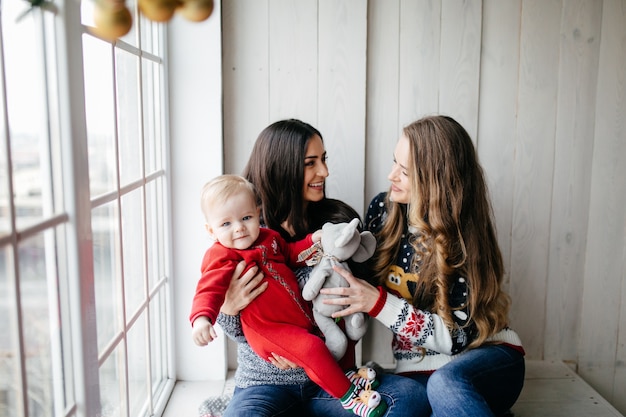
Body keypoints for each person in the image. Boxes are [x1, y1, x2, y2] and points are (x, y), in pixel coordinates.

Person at [215, 119, 428, 417]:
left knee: (410, 400)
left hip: (336, 384)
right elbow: (238, 329)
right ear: (282, 168)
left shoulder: (338, 224)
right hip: (265, 384)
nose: (324, 172)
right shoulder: (245, 233)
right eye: (310, 163)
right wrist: (228, 308)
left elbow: (357, 309)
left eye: (324, 159)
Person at [321, 115, 526, 417]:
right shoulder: (384, 211)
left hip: (484, 357)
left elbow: (454, 339)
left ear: (435, 180)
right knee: (392, 405)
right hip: (415, 370)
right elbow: (349, 282)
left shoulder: (463, 238)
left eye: (404, 172)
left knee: (446, 384)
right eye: (394, 162)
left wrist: (379, 304)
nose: (391, 175)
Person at [190, 174, 387, 417]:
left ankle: (344, 378)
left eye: (246, 218)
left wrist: (314, 240)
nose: (239, 227)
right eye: (226, 224)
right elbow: (208, 289)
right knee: (313, 347)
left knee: (402, 397)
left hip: (299, 324)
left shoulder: (269, 238)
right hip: (268, 329)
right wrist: (202, 318)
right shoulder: (222, 256)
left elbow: (292, 253)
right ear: (211, 230)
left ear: (257, 213)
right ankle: (350, 397)